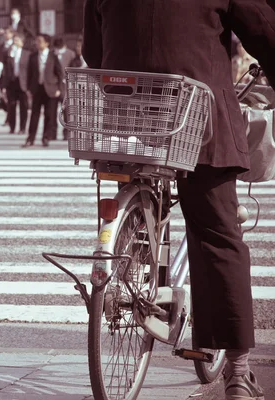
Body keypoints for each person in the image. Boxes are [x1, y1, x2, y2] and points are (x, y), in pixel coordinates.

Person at [83, 1, 275, 399]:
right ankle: (238, 372)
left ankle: (135, 241)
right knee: (218, 234)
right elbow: (265, 32)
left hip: (128, 114)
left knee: (138, 169)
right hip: (197, 115)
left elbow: (92, 49)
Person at [23, 34, 63, 148]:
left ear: (46, 43)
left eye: (40, 41)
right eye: (37, 41)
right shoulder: (33, 56)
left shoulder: (52, 56)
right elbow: (29, 74)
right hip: (37, 88)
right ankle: (30, 138)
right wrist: (29, 89)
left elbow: (59, 73)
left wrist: (59, 89)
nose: (37, 43)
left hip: (50, 89)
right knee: (34, 114)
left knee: (49, 115)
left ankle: (46, 137)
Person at [2, 34, 29, 135]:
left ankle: (22, 128)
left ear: (22, 42)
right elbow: (5, 69)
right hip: (11, 83)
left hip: (22, 83)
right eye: (14, 40)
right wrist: (4, 85)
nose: (15, 42)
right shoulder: (9, 53)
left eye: (17, 40)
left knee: (23, 107)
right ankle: (12, 127)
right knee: (11, 106)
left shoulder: (27, 54)